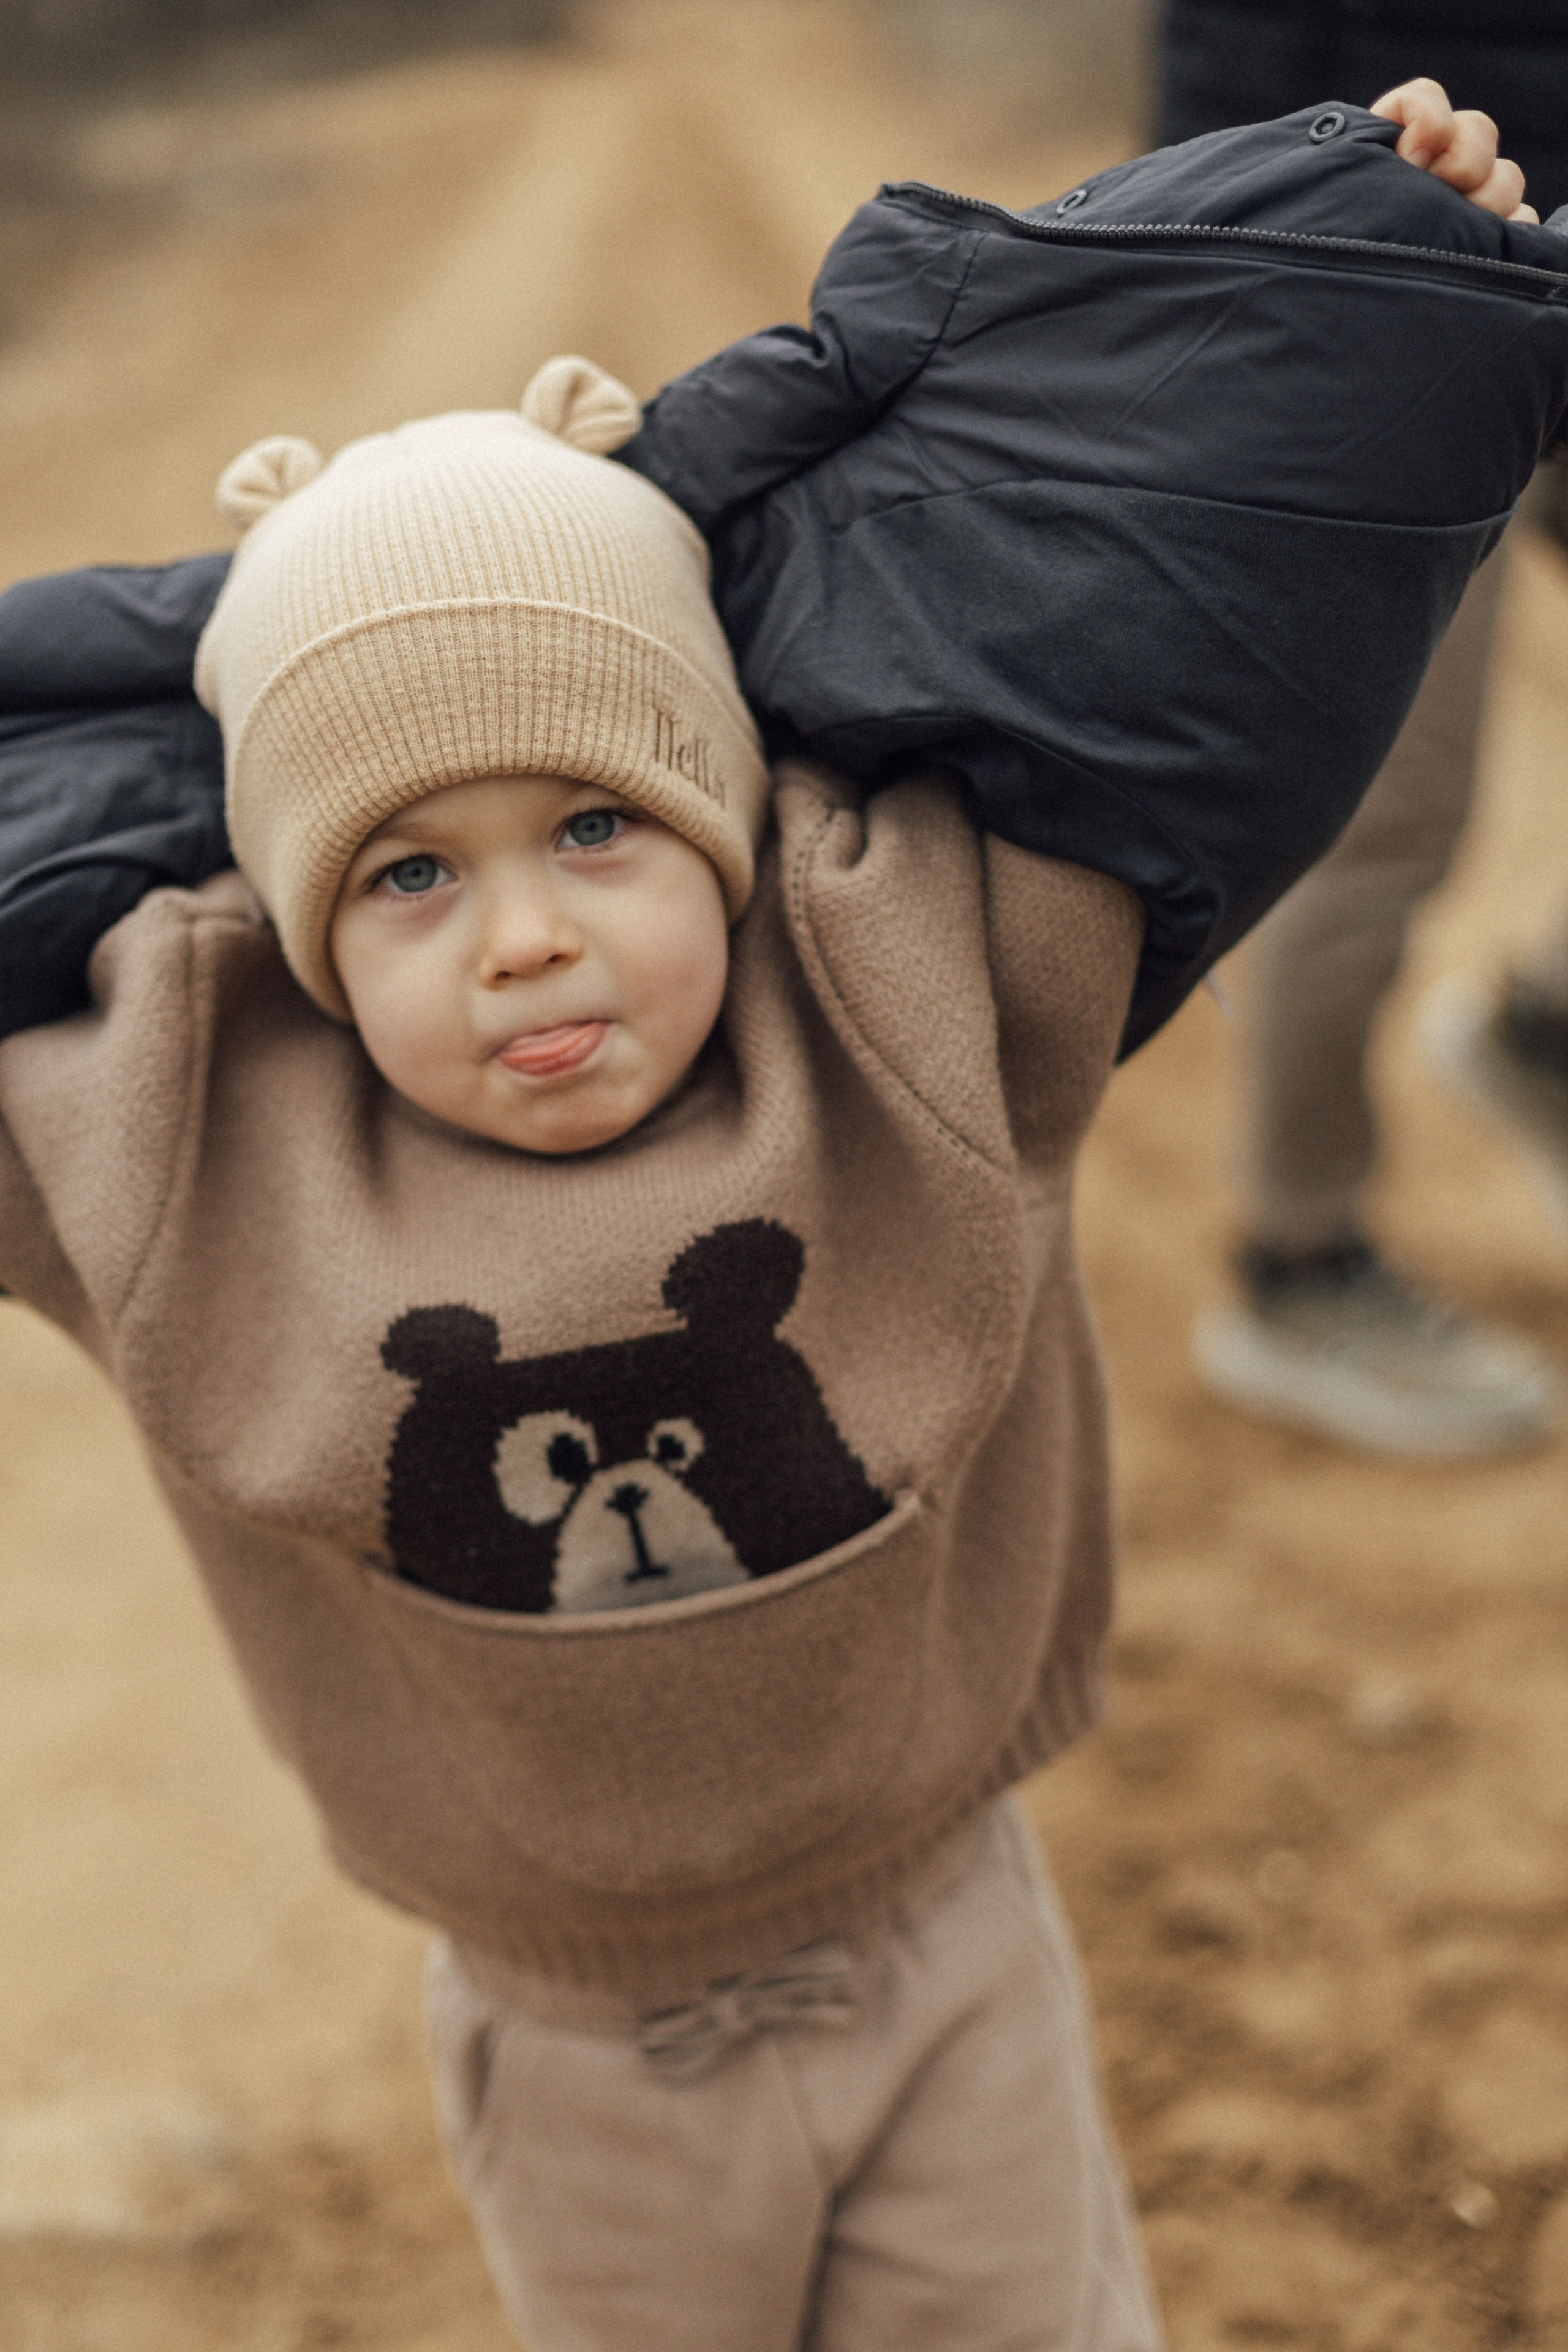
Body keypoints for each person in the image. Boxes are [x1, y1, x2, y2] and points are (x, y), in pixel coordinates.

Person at [0, 88, 1561, 2351]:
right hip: (572, 2046)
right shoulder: (179, 1129)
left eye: (597, 830)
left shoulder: (898, 982)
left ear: (728, 807)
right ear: (285, 913)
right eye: (410, 875)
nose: (521, 938)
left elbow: (1207, 607)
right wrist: (214, 689)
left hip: (958, 1958)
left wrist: (1341, 234)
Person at [1160, 0, 1568, 1456]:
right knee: (1383, 807)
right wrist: (1242, 286)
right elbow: (1221, 53)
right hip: (1405, 291)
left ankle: (1545, 1030)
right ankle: (1296, 1262)